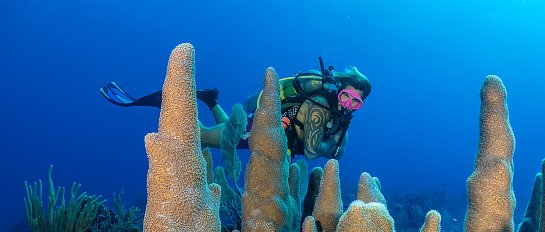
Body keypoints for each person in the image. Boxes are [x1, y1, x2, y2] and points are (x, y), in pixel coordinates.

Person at [100, 59, 371, 160]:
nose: (347, 104)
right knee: (201, 137)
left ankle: (210, 101)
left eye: (355, 102)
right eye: (346, 96)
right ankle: (174, 105)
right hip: (263, 131)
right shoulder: (321, 106)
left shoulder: (339, 114)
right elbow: (313, 152)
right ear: (338, 89)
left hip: (264, 131)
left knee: (227, 133)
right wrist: (332, 146)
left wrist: (338, 138)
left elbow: (337, 148)